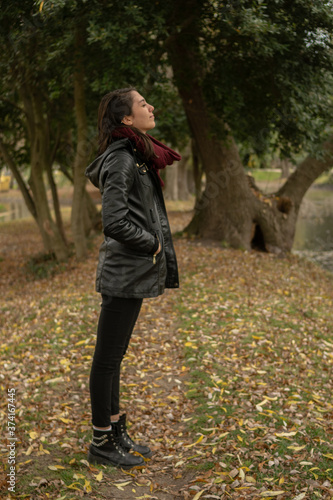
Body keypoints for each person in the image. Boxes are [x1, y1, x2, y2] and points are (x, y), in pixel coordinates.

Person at [85, 87, 180, 469]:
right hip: (124, 271)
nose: (150, 106)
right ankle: (100, 442)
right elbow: (114, 221)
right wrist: (152, 244)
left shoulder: (137, 154)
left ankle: (114, 429)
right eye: (143, 104)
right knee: (107, 359)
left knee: (115, 357)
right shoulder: (122, 159)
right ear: (126, 119)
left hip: (130, 270)